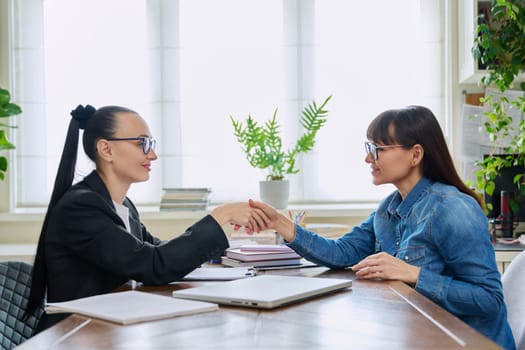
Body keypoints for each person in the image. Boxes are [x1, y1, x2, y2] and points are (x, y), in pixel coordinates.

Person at [249, 105, 516, 349]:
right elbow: (341, 253)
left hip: (468, 342)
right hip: (419, 336)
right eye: (369, 148)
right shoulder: (387, 209)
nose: (369, 159)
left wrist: (412, 274)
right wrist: (281, 224)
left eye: (379, 149)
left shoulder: (453, 209)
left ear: (416, 154)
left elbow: (489, 301)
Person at [26, 104, 268, 332]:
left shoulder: (122, 205)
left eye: (151, 143)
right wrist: (221, 215)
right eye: (142, 143)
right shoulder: (80, 207)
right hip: (72, 334)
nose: (152, 155)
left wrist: (232, 252)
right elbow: (154, 265)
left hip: (106, 328)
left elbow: (158, 249)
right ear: (106, 149)